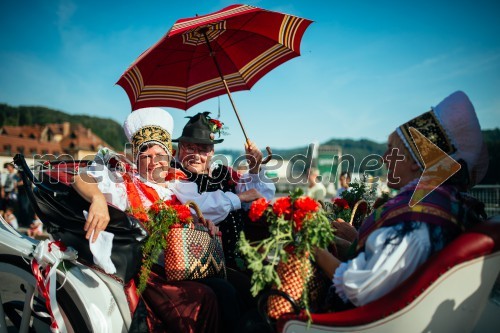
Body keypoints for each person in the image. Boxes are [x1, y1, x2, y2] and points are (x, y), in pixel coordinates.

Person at [71, 107, 246, 333]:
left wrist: (202, 225)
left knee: (230, 289)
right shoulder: (127, 184)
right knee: (205, 297)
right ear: (136, 159)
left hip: (182, 264)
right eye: (146, 156)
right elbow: (81, 176)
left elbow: (197, 211)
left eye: (160, 155)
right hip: (151, 270)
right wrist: (97, 198)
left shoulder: (178, 185)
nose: (155, 162)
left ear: (169, 156)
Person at [315, 91, 488, 309]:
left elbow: (358, 287)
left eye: (390, 149)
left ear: (416, 162)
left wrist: (313, 249)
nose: (384, 158)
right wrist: (356, 239)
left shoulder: (418, 217)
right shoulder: (438, 202)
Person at [171, 111, 276, 271]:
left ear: (212, 151)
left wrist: (254, 168)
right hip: (206, 263)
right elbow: (200, 208)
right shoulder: (175, 175)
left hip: (244, 257)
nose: (196, 155)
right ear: (180, 149)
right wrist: (241, 197)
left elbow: (263, 196)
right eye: (190, 148)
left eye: (203, 149)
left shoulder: (223, 172)